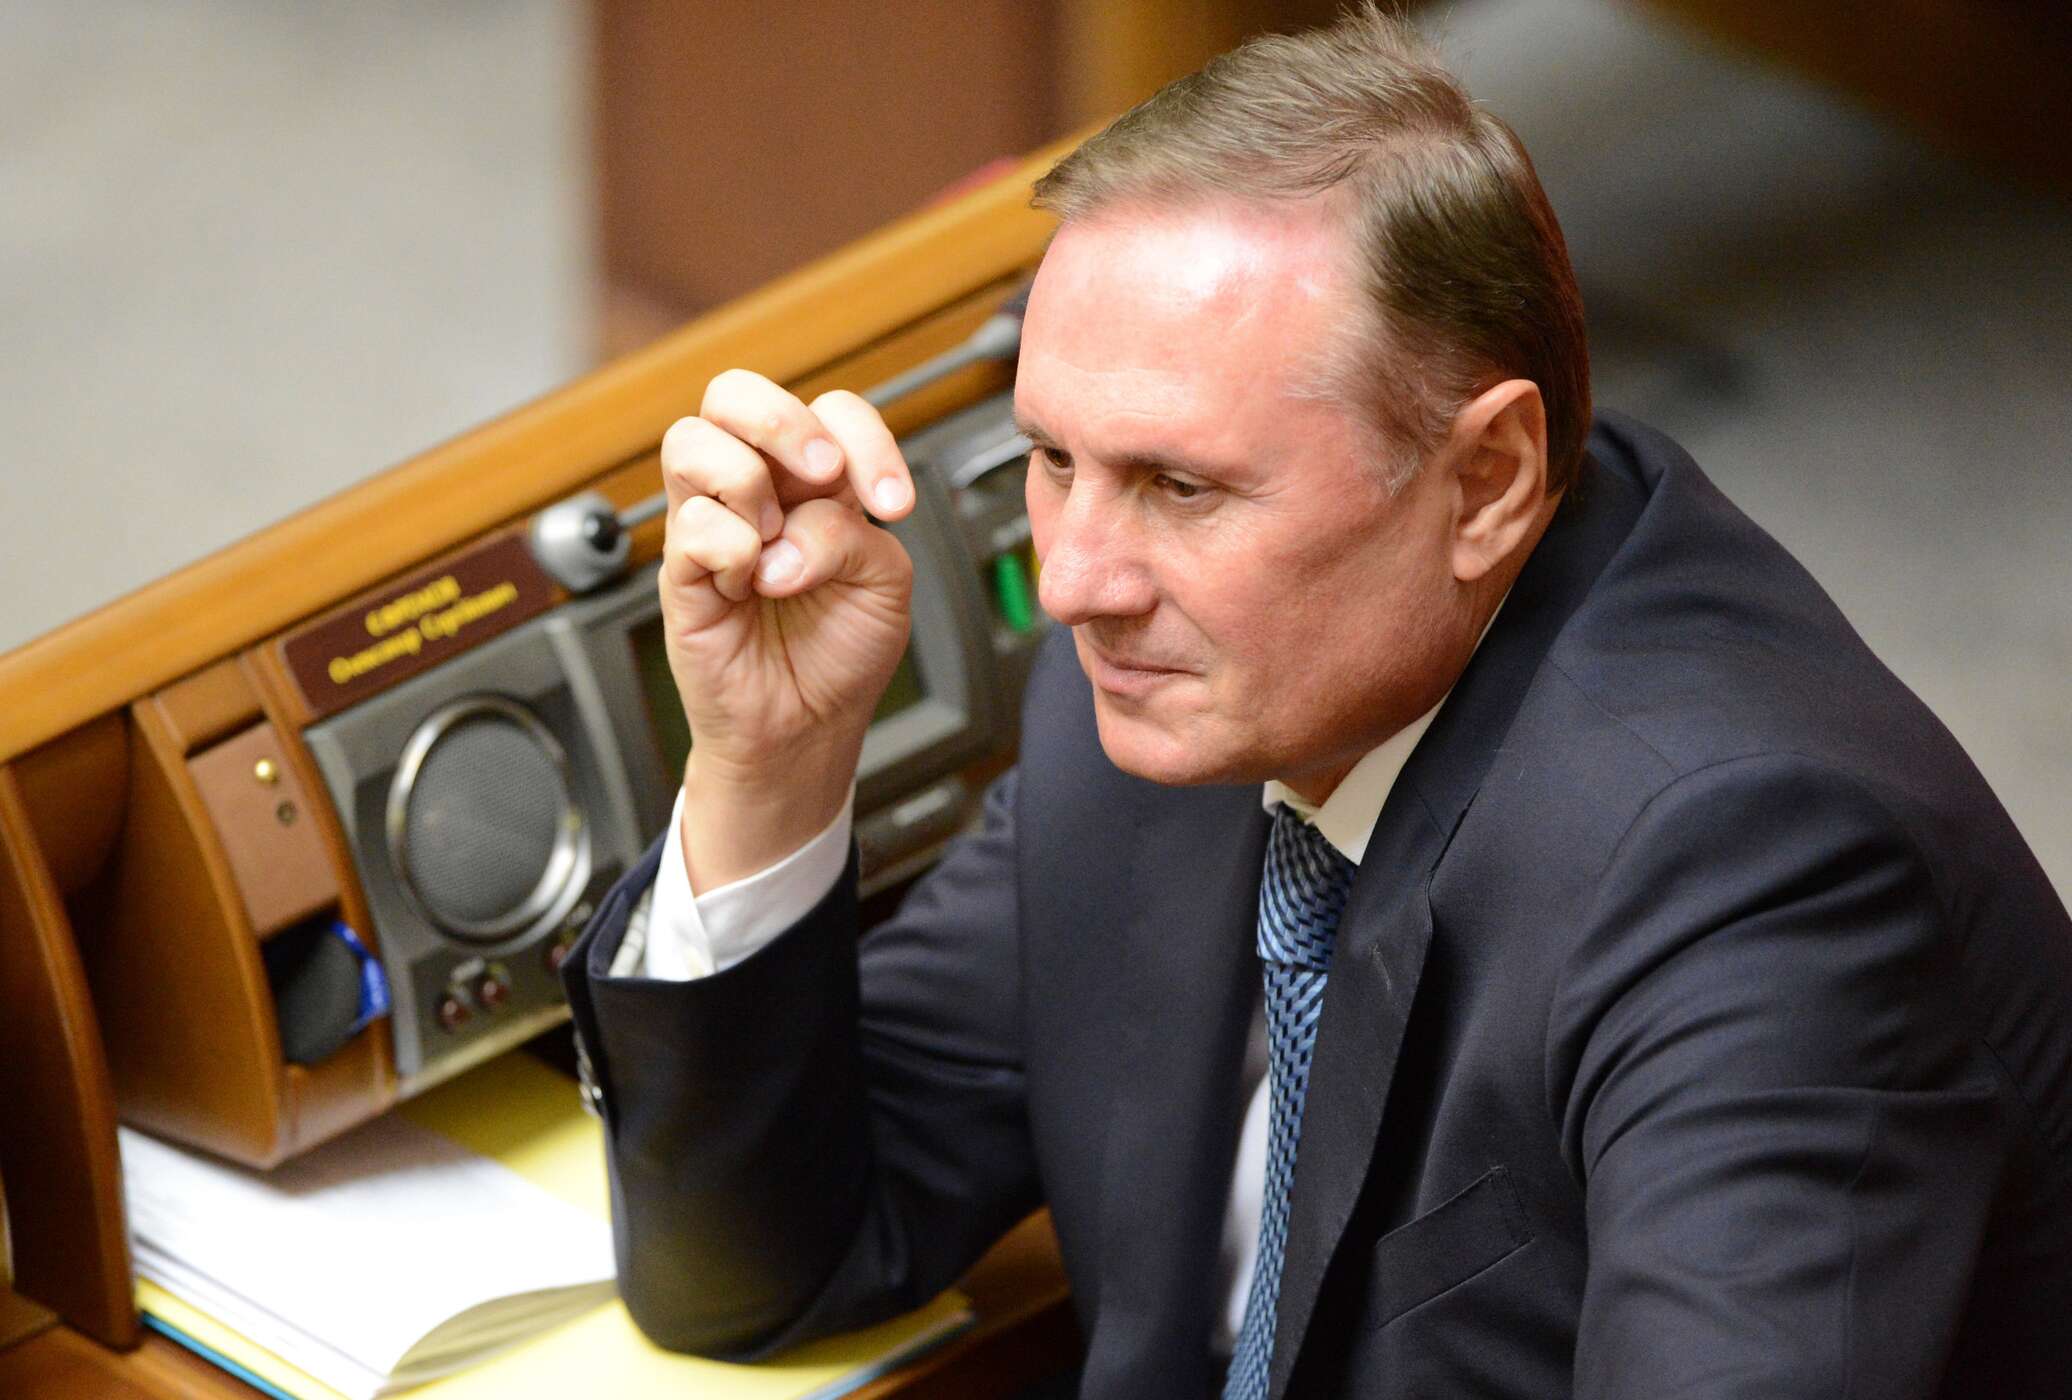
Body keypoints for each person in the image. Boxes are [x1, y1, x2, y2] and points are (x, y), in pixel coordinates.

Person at [560, 7, 2072, 1395]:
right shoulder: (1162, 697)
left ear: (1487, 481)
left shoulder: (1751, 873)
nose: (1074, 580)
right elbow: (770, 1267)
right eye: (1055, 461)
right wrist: (768, 766)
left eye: (1181, 486)